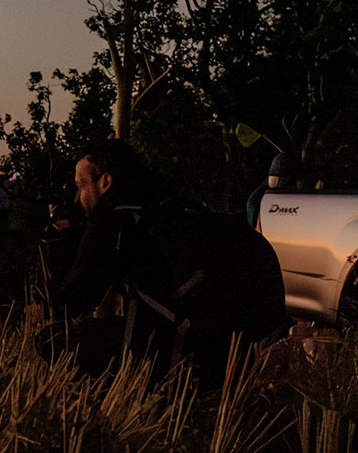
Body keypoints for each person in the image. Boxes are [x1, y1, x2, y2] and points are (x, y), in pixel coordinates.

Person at [41, 139, 286, 383]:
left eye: (81, 185)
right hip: (234, 348)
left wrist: (59, 241)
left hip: (191, 353)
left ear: (105, 181)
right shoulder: (169, 206)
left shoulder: (114, 217)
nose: (77, 198)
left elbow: (72, 301)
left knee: (53, 340)